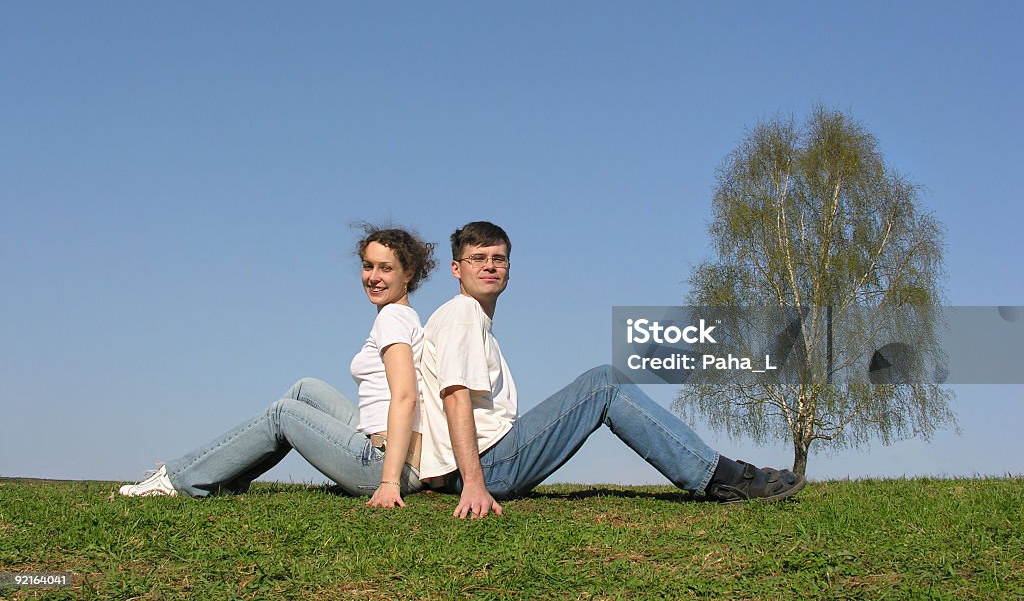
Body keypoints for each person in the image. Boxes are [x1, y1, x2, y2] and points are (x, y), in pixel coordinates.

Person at [418, 221, 806, 519]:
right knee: (604, 383)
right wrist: (472, 483)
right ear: (456, 268)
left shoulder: (467, 319)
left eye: (498, 258)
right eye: (478, 259)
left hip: (486, 463)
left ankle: (719, 474)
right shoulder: (462, 315)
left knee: (603, 381)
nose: (489, 266)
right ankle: (724, 478)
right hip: (490, 466)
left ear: (508, 267)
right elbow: (454, 397)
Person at [119, 225, 436, 508]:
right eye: (368, 266)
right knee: (306, 389)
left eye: (386, 269)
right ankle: (230, 479)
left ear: (408, 274)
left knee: (282, 413)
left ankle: (177, 480)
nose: (373, 277)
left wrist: (389, 482)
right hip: (394, 452)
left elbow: (405, 396)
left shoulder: (392, 320)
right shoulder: (403, 315)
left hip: (381, 463)